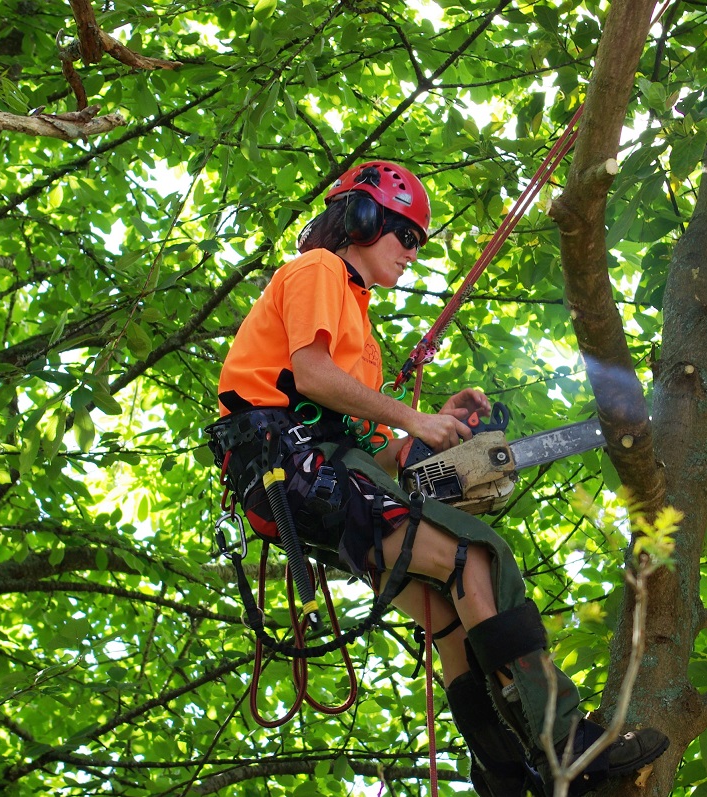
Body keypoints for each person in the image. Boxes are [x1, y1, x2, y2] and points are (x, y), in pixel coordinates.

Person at [206, 160, 668, 796]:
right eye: (407, 238)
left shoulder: (358, 327)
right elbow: (309, 374)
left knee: (446, 614)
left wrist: (431, 427)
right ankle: (568, 745)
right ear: (364, 220)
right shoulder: (318, 271)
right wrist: (415, 420)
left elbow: (369, 445)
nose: (411, 255)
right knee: (474, 557)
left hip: (324, 480)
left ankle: (503, 773)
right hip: (299, 469)